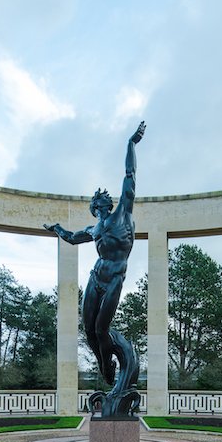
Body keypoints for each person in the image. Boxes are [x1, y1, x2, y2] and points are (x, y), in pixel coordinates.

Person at [45, 121, 146, 415]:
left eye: (101, 202)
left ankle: (111, 364)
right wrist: (57, 229)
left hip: (114, 279)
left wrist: (131, 143)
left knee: (102, 328)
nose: (98, 205)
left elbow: (130, 176)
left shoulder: (122, 215)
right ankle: (105, 364)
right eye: (95, 204)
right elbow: (74, 238)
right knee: (88, 329)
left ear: (107, 203)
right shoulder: (95, 228)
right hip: (96, 278)